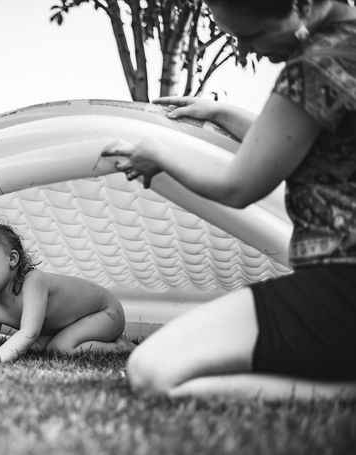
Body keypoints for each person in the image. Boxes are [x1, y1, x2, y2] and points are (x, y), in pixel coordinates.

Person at [101, 0, 356, 400]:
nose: (249, 50)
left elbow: (238, 186)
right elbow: (302, 137)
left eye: (252, 36)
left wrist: (158, 154)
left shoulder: (314, 66)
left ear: (303, 6)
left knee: (151, 373)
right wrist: (221, 112)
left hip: (341, 290)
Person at [0, 217, 134, 363]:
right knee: (40, 347)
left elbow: (28, 332)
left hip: (105, 312)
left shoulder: (33, 282)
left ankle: (120, 347)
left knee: (60, 348)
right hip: (72, 323)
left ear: (12, 259)